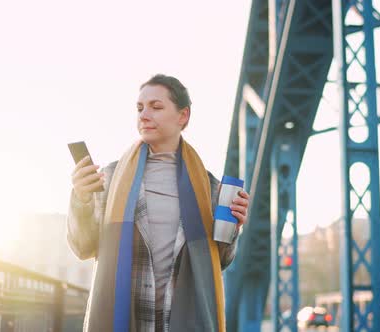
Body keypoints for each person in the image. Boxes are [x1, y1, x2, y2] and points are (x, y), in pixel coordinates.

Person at [67, 74, 249, 332]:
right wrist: (82, 199)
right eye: (140, 108)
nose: (144, 115)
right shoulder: (109, 178)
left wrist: (234, 228)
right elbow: (82, 247)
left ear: (182, 116)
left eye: (156, 107)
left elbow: (220, 260)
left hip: (182, 322)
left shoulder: (211, 188)